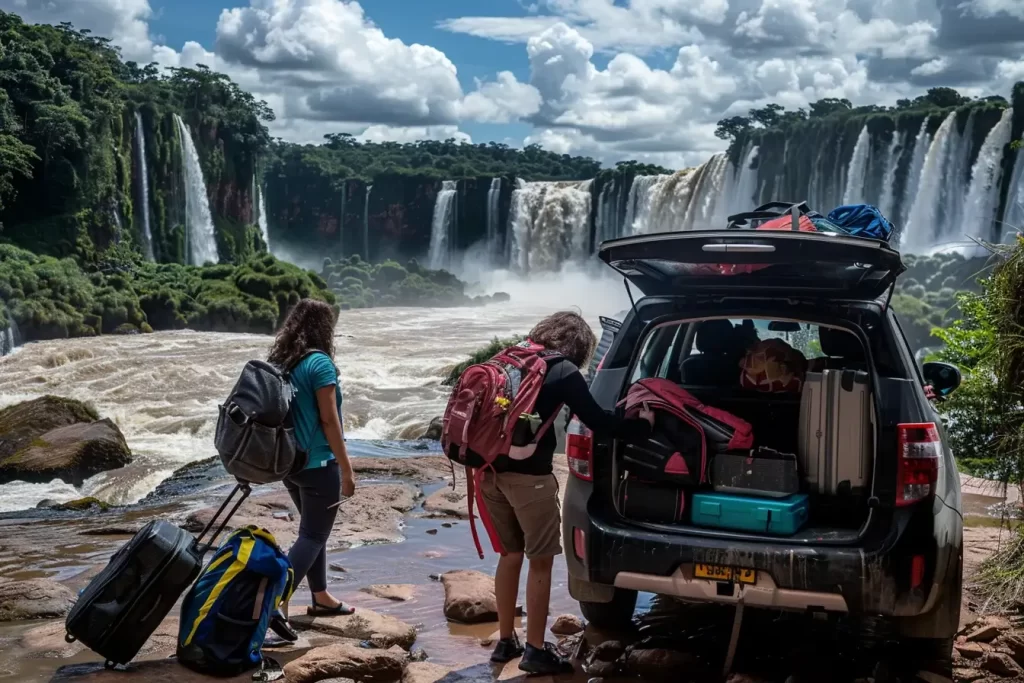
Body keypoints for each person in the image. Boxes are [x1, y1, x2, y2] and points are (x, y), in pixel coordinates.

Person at [481, 311, 654, 676]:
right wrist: (642, 426)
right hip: (530, 482)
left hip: (487, 474)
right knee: (540, 560)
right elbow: (600, 422)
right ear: (579, 346)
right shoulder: (563, 371)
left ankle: (505, 641)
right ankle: (535, 650)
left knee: (509, 555)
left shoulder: (505, 359)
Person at [264, 299, 356, 643]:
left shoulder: (284, 362)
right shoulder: (320, 364)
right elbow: (329, 421)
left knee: (312, 531)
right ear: (324, 328)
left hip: (290, 462)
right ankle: (271, 602)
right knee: (313, 535)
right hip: (318, 464)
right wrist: (347, 470)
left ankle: (321, 598)